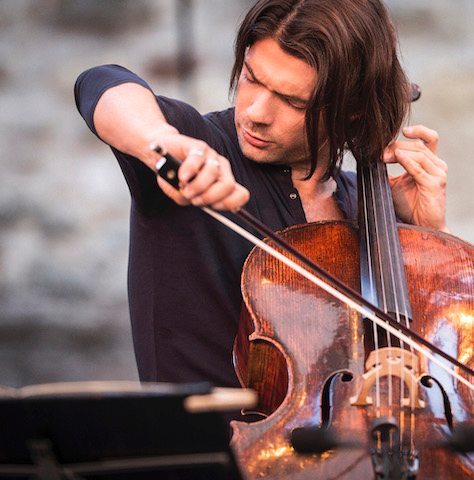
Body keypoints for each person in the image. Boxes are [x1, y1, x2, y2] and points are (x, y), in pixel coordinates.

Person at [74, 0, 448, 398]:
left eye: (293, 101)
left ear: (352, 110)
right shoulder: (200, 149)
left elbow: (430, 379)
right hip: (208, 453)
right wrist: (163, 142)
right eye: (251, 77)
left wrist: (430, 241)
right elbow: (100, 83)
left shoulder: (367, 207)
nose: (255, 112)